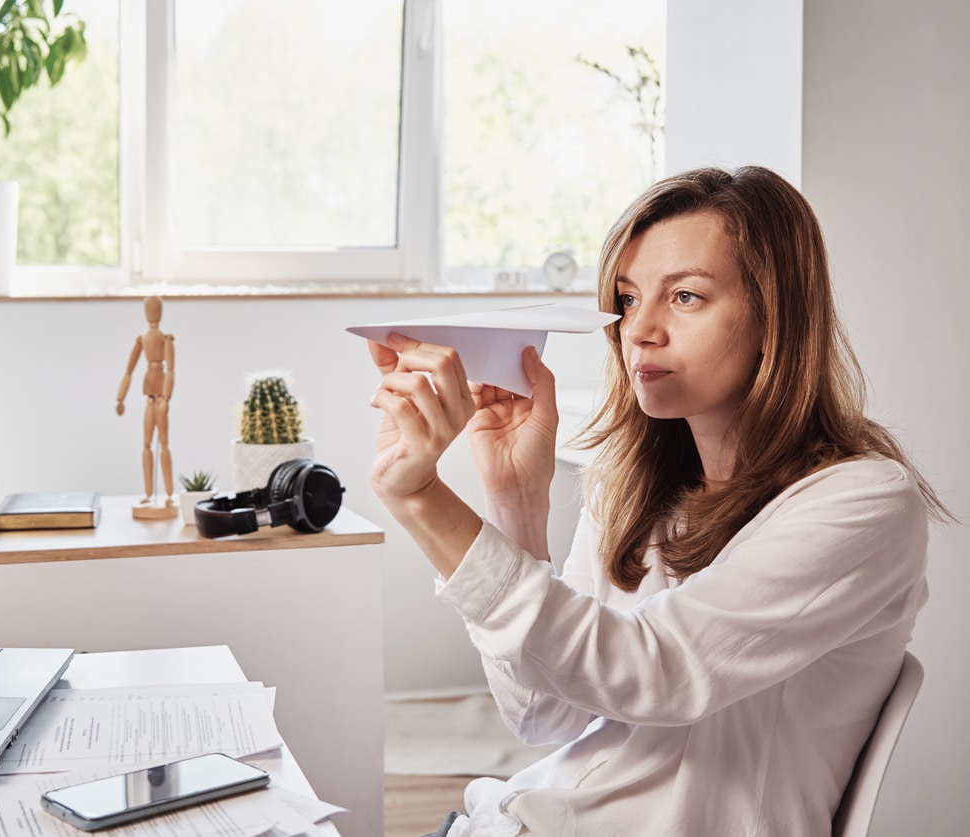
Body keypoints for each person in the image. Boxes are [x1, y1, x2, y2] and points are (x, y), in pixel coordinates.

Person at [365, 166, 951, 837]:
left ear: (774, 315)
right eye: (627, 297)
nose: (638, 329)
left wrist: (422, 501)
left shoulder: (864, 502)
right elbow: (543, 716)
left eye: (686, 298)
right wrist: (515, 505)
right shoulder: (632, 485)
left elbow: (654, 671)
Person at [116, 295, 175, 502]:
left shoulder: (165, 338)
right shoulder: (142, 339)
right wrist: (120, 397)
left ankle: (168, 493)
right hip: (149, 396)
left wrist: (166, 397)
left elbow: (171, 369)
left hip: (160, 398)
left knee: (164, 444)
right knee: (147, 443)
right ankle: (149, 493)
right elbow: (129, 370)